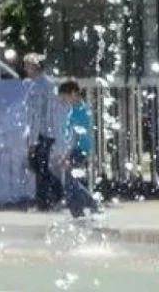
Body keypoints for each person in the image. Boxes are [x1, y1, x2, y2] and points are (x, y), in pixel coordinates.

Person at [23, 53, 62, 211]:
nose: (25, 69)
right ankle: (50, 197)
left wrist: (32, 140)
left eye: (27, 65)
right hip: (48, 131)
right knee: (40, 166)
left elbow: (36, 115)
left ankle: (47, 199)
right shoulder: (48, 83)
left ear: (35, 67)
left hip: (41, 133)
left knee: (39, 167)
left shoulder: (37, 86)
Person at [57, 79, 99, 220]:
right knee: (73, 182)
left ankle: (83, 209)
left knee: (71, 183)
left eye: (65, 97)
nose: (64, 100)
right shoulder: (78, 109)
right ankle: (85, 209)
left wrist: (66, 155)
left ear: (74, 93)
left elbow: (75, 136)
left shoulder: (79, 112)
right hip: (79, 150)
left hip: (78, 150)